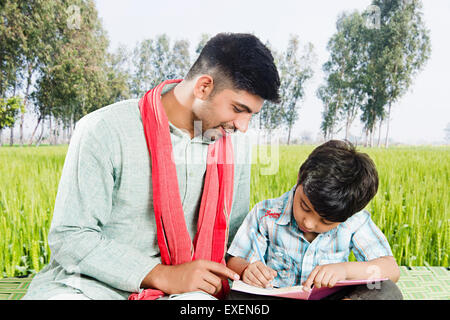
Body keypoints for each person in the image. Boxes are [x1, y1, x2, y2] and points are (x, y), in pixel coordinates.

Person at [22, 33, 280, 300]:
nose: (243, 125)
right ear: (204, 87)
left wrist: (247, 267)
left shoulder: (234, 146)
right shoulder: (105, 129)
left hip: (187, 292)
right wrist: (163, 275)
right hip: (89, 286)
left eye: (251, 114)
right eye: (238, 108)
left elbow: (233, 240)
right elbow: (71, 236)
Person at [226, 140, 403, 300]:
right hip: (276, 296)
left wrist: (344, 270)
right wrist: (247, 269)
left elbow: (391, 270)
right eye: (304, 207)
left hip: (331, 297)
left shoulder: (354, 221)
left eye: (326, 222)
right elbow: (234, 260)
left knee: (386, 289)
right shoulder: (266, 213)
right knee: (236, 295)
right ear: (300, 178)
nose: (308, 223)